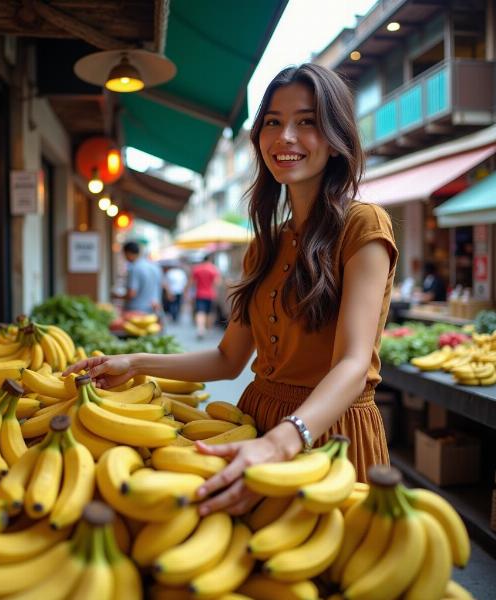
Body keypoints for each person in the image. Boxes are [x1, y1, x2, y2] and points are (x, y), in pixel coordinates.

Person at [65, 64, 398, 517]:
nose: (285, 137)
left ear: (336, 136)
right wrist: (134, 361)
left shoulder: (364, 225)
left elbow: (353, 364)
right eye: (273, 122)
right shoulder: (264, 244)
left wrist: (286, 437)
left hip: (330, 432)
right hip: (255, 424)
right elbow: (227, 359)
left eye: (306, 122)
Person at [114, 241, 162, 314]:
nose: (125, 257)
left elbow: (131, 294)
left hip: (136, 310)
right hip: (153, 308)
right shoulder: (154, 266)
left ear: (128, 253)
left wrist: (117, 296)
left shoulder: (134, 268)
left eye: (124, 254)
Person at [191, 254, 221, 339]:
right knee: (209, 312)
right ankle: (207, 328)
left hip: (199, 294)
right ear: (210, 260)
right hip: (211, 294)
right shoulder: (214, 269)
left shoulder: (197, 269)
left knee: (200, 312)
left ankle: (200, 329)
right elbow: (217, 283)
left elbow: (192, 282)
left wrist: (187, 293)